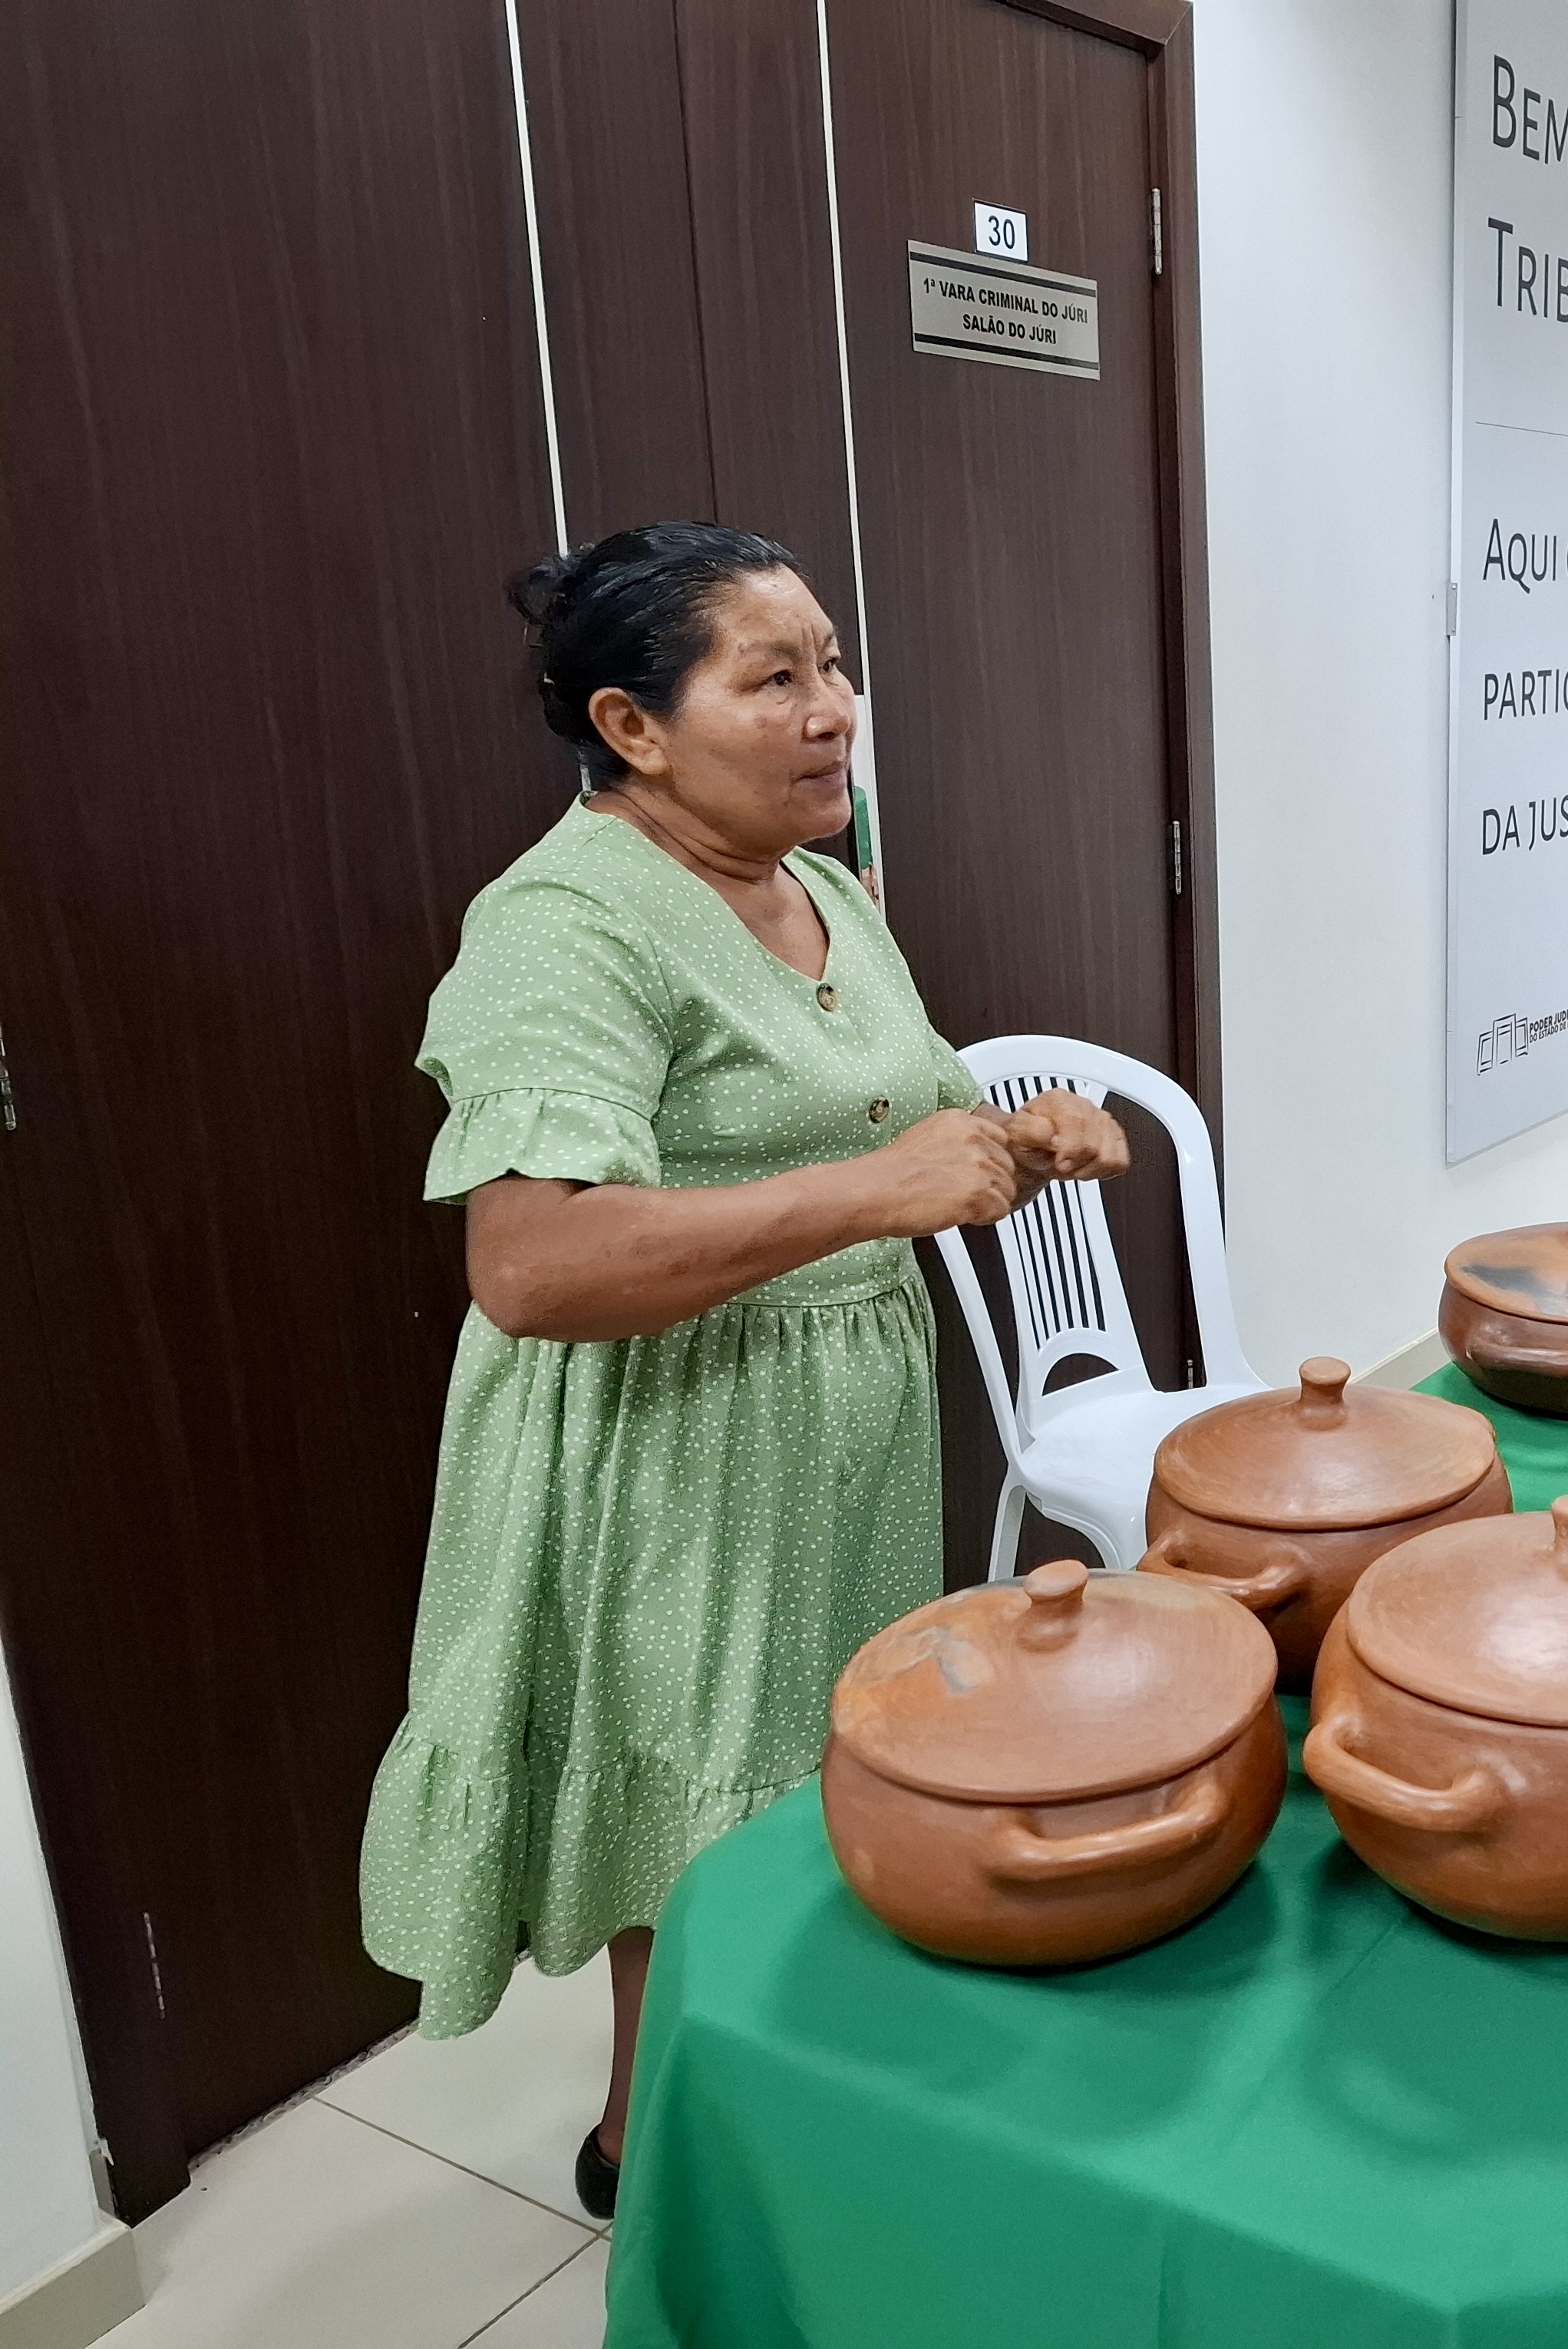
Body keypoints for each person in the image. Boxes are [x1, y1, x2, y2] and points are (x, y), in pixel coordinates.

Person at [358, 524, 1131, 2219]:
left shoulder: (816, 879)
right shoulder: (562, 924)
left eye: (834, 664)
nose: (832, 710)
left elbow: (873, 1108)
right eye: (773, 678)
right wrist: (882, 1191)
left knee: (786, 1791)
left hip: (829, 1425)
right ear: (633, 727)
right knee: (693, 1821)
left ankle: (718, 2114)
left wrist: (1009, 1137)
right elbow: (532, 1262)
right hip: (668, 1442)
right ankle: (675, 2171)